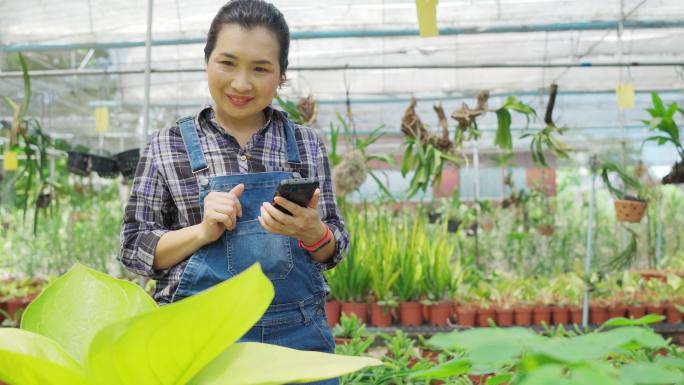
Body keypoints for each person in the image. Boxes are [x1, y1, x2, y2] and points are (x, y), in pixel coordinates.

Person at [118, 1, 349, 382]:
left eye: (260, 69)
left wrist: (313, 232)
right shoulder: (166, 145)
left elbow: (334, 246)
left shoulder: (307, 145)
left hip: (295, 339)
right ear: (207, 61)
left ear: (281, 76)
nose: (242, 84)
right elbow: (132, 246)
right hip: (196, 338)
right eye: (227, 63)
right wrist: (202, 232)